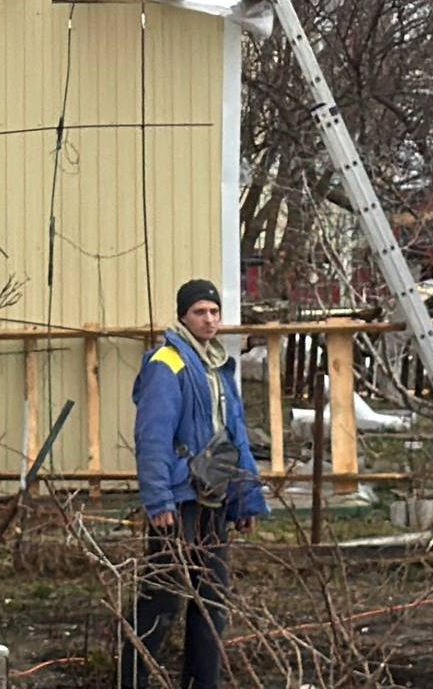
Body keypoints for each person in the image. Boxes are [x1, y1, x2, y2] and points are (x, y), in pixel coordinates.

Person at [120, 279, 266, 689]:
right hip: (179, 500)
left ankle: (203, 682)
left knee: (212, 598)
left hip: (215, 497)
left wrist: (245, 501)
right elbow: (152, 436)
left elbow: (235, 437)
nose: (209, 319)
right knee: (164, 595)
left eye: (214, 312)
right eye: (200, 311)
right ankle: (131, 678)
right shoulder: (167, 363)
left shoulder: (218, 366)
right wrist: (158, 499)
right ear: (183, 315)